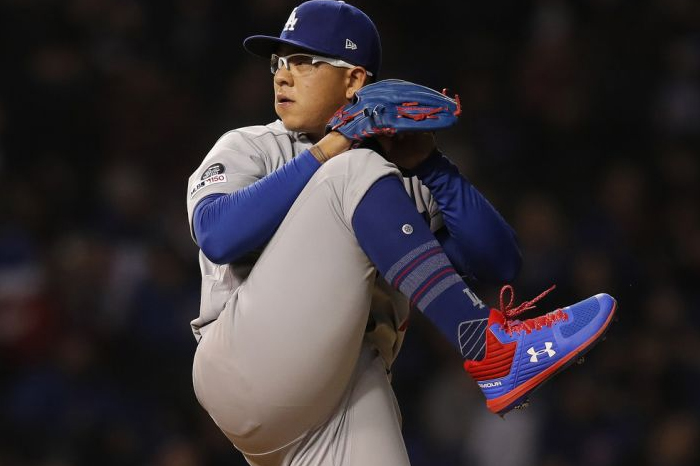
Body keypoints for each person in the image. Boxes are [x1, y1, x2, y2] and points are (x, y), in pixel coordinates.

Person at [185, 1, 617, 465]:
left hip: (342, 390)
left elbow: (499, 263)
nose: (282, 76)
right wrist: (332, 148)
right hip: (244, 362)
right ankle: (490, 349)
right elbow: (218, 235)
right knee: (351, 170)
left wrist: (433, 167)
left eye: (304, 62)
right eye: (279, 62)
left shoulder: (394, 179)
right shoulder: (252, 145)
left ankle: (494, 349)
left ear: (354, 80)